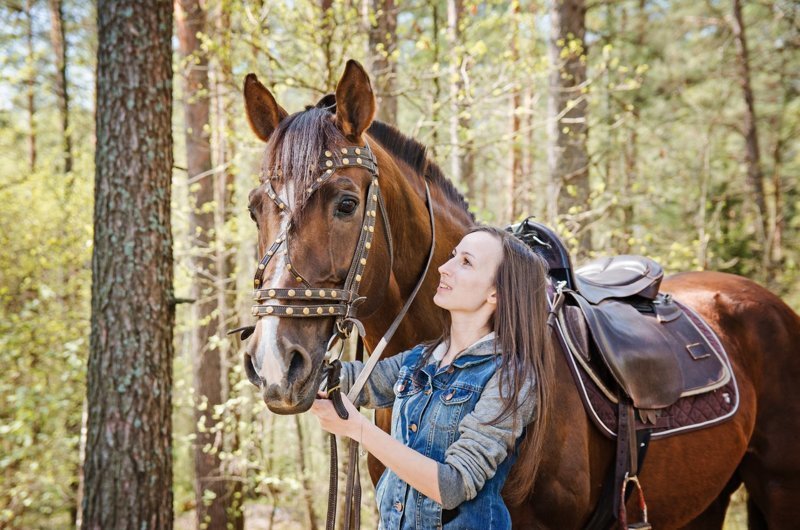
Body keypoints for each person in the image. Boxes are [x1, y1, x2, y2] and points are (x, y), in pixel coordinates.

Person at [309, 225, 554, 529]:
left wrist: (359, 429)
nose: (443, 268)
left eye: (465, 262)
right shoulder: (418, 360)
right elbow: (342, 379)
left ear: (496, 293)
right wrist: (285, 354)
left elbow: (453, 486)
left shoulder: (511, 378)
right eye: (453, 256)